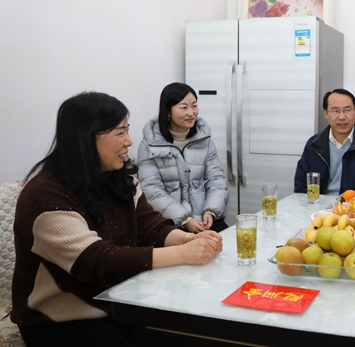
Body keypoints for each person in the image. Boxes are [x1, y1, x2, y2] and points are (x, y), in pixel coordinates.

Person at [12, 91, 223, 347]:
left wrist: (191, 239)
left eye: (128, 130)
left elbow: (150, 226)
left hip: (120, 301)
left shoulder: (117, 178)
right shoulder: (45, 194)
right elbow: (96, 260)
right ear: (86, 137)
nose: (129, 141)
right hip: (62, 319)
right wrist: (183, 253)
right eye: (120, 132)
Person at [138, 82, 229, 233]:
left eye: (194, 106)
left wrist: (211, 211)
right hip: (170, 222)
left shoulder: (204, 140)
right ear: (168, 112)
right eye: (184, 107)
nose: (191, 113)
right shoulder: (149, 145)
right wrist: (185, 220)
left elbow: (216, 180)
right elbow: (152, 190)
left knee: (230, 243)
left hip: (205, 219)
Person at [294, 89, 355, 194]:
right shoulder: (314, 144)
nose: (342, 117)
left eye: (347, 110)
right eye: (335, 111)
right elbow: (301, 186)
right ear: (325, 113)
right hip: (319, 203)